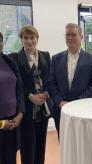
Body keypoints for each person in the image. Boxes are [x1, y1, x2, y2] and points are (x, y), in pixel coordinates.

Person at [48, 23, 92, 136]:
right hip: (61, 111)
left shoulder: (91, 59)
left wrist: (77, 102)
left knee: (83, 143)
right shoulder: (56, 58)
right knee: (64, 143)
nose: (70, 38)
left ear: (81, 37)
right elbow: (51, 83)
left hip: (83, 110)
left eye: (73, 34)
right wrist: (60, 102)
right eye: (67, 35)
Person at [9, 25, 51, 164]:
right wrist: (30, 96)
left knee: (41, 145)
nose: (29, 41)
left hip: (43, 109)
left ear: (37, 39)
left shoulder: (45, 55)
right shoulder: (14, 58)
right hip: (26, 110)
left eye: (32, 38)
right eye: (25, 38)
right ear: (21, 40)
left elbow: (50, 79)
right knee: (28, 147)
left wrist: (46, 93)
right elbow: (16, 84)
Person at [0, 32, 24, 164]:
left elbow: (19, 89)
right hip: (2, 124)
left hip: (12, 123)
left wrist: (20, 114)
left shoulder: (9, 62)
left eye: (0, 40)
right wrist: (1, 124)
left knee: (10, 160)